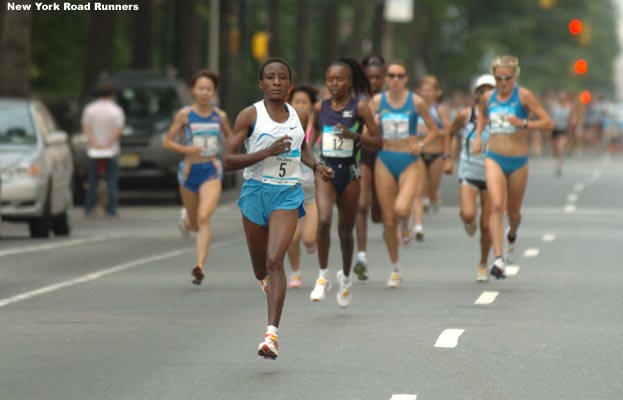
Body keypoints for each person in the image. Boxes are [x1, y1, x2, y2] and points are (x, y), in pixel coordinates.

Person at [223, 58, 333, 359]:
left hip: (287, 194)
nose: (276, 82)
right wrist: (265, 152)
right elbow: (227, 160)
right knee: (261, 269)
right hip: (256, 193)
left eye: (282, 77)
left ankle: (271, 335)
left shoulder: (298, 114)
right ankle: (266, 282)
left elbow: (303, 149)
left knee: (275, 260)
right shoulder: (250, 115)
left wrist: (317, 165)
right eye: (270, 77)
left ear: (290, 83)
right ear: (261, 84)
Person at [308, 58, 382, 307]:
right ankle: (323, 276)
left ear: (349, 82)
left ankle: (346, 278)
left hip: (350, 173)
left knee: (345, 232)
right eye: (330, 79)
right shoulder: (320, 108)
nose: (334, 83)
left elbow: (378, 141)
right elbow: (310, 139)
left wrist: (355, 136)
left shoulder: (360, 108)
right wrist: (311, 160)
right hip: (326, 172)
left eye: (339, 79)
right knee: (324, 219)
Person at [472, 55, 553, 278]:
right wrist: (479, 137)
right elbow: (481, 116)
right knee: (496, 206)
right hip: (494, 158)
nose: (503, 83)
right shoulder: (487, 97)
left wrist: (524, 123)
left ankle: (513, 233)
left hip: (518, 161)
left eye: (507, 78)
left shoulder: (524, 96)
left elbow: (548, 123)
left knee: (513, 212)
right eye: (499, 78)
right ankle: (498, 259)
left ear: (515, 76)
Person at [373, 60, 440, 287]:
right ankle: (395, 267)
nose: (395, 80)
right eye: (391, 76)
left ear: (406, 78)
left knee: (401, 208)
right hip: (385, 159)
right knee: (388, 220)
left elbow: (434, 130)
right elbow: (363, 129)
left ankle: (408, 221)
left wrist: (421, 146)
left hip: (409, 160)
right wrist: (370, 125)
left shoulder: (416, 101)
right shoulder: (377, 102)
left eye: (400, 76)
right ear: (385, 78)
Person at [163, 70, 232, 285]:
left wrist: (232, 151)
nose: (204, 92)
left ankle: (199, 265)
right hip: (188, 171)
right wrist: (187, 148)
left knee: (204, 217)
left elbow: (231, 140)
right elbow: (167, 141)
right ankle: (186, 220)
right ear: (193, 90)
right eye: (200, 88)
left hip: (211, 170)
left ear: (214, 92)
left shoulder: (219, 116)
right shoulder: (185, 115)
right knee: (194, 224)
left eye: (208, 89)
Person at [446, 74, 496, 282]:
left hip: (493, 175)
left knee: (487, 225)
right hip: (469, 171)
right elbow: (449, 133)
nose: (485, 94)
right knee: (467, 214)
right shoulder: (465, 115)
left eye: (489, 90)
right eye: (481, 90)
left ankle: (483, 263)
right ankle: (469, 222)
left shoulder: (501, 117)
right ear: (475, 94)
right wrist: (447, 158)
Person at [353, 55, 386, 281]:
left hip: (386, 155)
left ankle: (390, 219)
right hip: (363, 154)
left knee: (377, 214)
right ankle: (361, 256)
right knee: (361, 204)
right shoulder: (356, 99)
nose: (373, 81)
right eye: (369, 77)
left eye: (377, 77)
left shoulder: (391, 99)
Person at [286, 84, 320, 288]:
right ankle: (296, 273)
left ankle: (312, 243)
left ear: (311, 106)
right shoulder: (283, 125)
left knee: (308, 239)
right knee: (292, 237)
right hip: (289, 189)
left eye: (304, 103)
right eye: (296, 102)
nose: (300, 106)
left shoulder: (316, 127)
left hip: (311, 193)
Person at [411, 75, 452, 242]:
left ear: (437, 93)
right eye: (424, 90)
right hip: (418, 153)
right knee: (419, 190)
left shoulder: (439, 109)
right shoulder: (414, 108)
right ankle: (418, 225)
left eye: (430, 91)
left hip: (436, 154)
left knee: (432, 190)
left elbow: (448, 131)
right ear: (418, 92)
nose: (427, 94)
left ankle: (434, 196)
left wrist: (433, 132)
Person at [81, 82, 125, 217]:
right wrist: (108, 143)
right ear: (112, 95)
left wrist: (94, 143)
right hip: (111, 150)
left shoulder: (90, 109)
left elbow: (86, 128)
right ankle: (111, 208)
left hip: (94, 150)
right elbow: (118, 130)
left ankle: (89, 207)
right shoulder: (116, 110)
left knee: (92, 180)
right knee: (112, 179)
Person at [550, 91, 574, 176]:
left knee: (560, 147)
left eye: (563, 98)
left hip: (563, 130)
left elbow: (571, 119)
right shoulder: (554, 107)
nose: (562, 99)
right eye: (560, 98)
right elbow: (550, 117)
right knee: (555, 148)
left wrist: (571, 126)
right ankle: (558, 159)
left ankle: (559, 164)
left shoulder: (568, 108)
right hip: (555, 130)